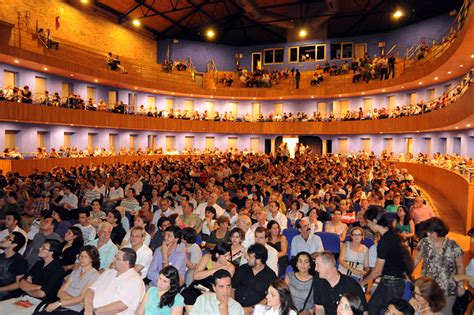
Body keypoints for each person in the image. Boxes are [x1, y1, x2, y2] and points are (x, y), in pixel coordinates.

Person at [360, 206, 413, 314]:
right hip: (387, 282)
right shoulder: (391, 233)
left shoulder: (384, 241)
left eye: (368, 222)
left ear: (374, 221)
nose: (368, 225)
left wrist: (362, 282)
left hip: (392, 285)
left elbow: (377, 271)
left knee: (387, 312)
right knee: (371, 309)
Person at [413, 217, 464, 314]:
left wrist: (461, 286)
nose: (428, 234)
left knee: (445, 312)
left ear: (439, 231)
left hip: (447, 288)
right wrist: (407, 274)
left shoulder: (453, 245)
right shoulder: (424, 242)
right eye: (427, 232)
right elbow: (415, 260)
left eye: (431, 232)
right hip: (427, 288)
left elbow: (460, 266)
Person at [38, 245, 100, 314]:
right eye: (80, 256)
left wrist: (60, 303)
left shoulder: (94, 275)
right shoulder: (76, 271)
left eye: (85, 257)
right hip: (63, 306)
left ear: (92, 259)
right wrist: (77, 301)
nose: (81, 259)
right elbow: (60, 292)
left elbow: (82, 297)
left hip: (74, 310)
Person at [84, 248, 145, 315]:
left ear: (126, 262)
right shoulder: (108, 272)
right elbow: (90, 291)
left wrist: (94, 312)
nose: (114, 260)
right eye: (115, 256)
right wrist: (88, 308)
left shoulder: (135, 281)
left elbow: (121, 306)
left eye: (117, 258)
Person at [181, 241, 234, 308]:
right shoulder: (207, 257)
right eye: (225, 256)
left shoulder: (230, 268)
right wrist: (216, 269)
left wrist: (211, 294)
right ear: (217, 255)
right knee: (183, 300)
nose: (228, 258)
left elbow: (226, 289)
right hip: (196, 288)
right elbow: (196, 276)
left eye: (229, 255)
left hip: (212, 295)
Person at [232, 244, 278, 313]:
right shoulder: (242, 269)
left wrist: (252, 308)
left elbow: (269, 297)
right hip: (236, 308)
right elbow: (232, 288)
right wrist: (233, 305)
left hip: (257, 311)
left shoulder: (270, 275)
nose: (247, 258)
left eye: (250, 257)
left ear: (258, 260)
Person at [0, 231, 28, 301]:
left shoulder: (20, 261)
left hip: (9, 293)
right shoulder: (1, 256)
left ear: (14, 244)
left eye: (8, 238)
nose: (3, 239)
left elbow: (18, 284)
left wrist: (0, 289)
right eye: (5, 237)